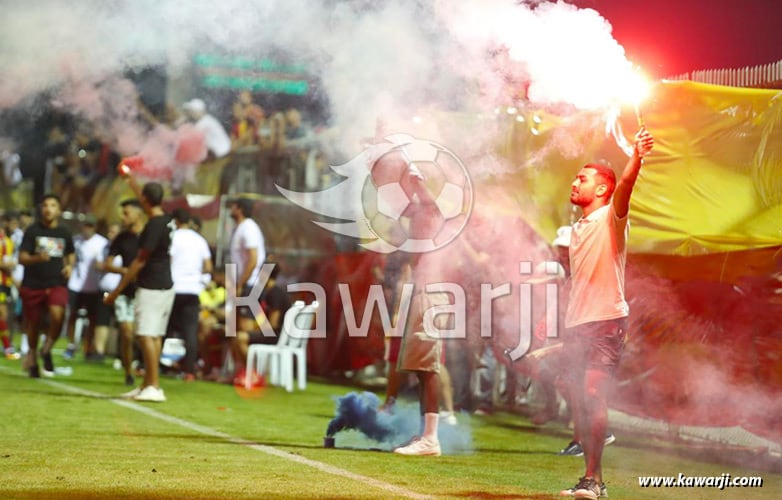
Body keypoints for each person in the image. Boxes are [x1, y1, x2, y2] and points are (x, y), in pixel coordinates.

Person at [558, 128, 654, 499]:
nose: (575, 181)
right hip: (577, 323)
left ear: (602, 189)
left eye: (582, 178)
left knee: (594, 391)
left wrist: (636, 155)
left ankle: (596, 483)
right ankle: (588, 478)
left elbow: (626, 184)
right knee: (580, 398)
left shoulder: (611, 217)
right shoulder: (579, 227)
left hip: (606, 322)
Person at [104, 170, 175, 403]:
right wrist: (130, 179)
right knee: (153, 335)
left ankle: (153, 385)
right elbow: (147, 201)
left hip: (151, 284)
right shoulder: (166, 219)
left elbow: (139, 261)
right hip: (165, 283)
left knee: (146, 335)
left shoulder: (154, 225)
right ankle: (147, 384)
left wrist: (116, 292)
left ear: (144, 200)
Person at [18, 194, 75, 378]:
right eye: (45, 205)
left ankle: (47, 348)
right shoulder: (32, 231)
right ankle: (33, 356)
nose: (48, 209)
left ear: (58, 210)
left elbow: (71, 253)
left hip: (56, 283)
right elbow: (22, 258)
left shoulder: (64, 232)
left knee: (58, 315)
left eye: (52, 205)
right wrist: (37, 258)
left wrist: (69, 266)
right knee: (33, 324)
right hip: (33, 285)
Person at [167, 208, 212, 381]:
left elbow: (168, 260)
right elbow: (208, 267)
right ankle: (189, 371)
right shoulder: (200, 240)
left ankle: (151, 365)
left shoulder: (174, 237)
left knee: (165, 328)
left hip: (174, 288)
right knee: (190, 332)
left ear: (176, 221)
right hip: (192, 290)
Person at [103, 199, 144, 387]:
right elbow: (108, 264)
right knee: (126, 333)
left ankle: (145, 368)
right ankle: (128, 371)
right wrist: (125, 272)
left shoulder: (148, 237)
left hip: (145, 291)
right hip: (125, 291)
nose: (123, 217)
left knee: (143, 335)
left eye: (126, 213)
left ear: (138, 214)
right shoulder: (121, 238)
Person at [63, 215, 108, 360]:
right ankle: (71, 344)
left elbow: (104, 263)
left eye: (90, 226)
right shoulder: (76, 240)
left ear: (95, 228)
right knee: (72, 315)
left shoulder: (102, 243)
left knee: (92, 318)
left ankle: (87, 347)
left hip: (94, 286)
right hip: (75, 284)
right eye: (85, 226)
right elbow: (68, 257)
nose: (87, 229)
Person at [0, 223, 18, 359]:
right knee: (2, 313)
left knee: (3, 314)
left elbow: (8, 261)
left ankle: (7, 347)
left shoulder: (8, 241)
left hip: (5, 283)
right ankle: (7, 347)